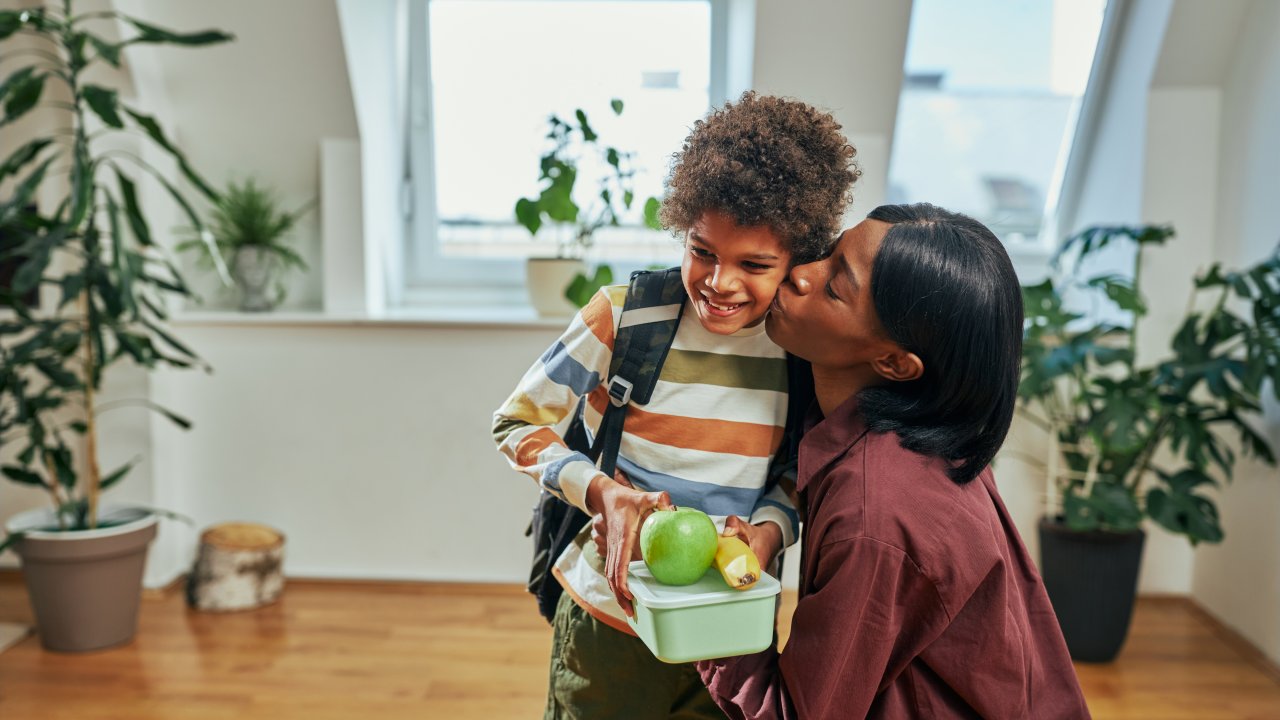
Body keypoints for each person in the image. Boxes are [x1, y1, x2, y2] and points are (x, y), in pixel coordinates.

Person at [492, 92, 860, 719]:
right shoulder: (625, 316)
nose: (719, 282)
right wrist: (601, 492)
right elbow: (515, 422)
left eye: (754, 264)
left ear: (797, 259)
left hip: (732, 628)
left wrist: (770, 532)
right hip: (608, 625)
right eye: (702, 251)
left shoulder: (801, 351)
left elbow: (800, 472)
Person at [697, 203, 1091, 719]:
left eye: (835, 286)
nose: (799, 274)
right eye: (828, 255)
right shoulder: (909, 440)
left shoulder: (875, 514)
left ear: (894, 362)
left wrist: (710, 608)